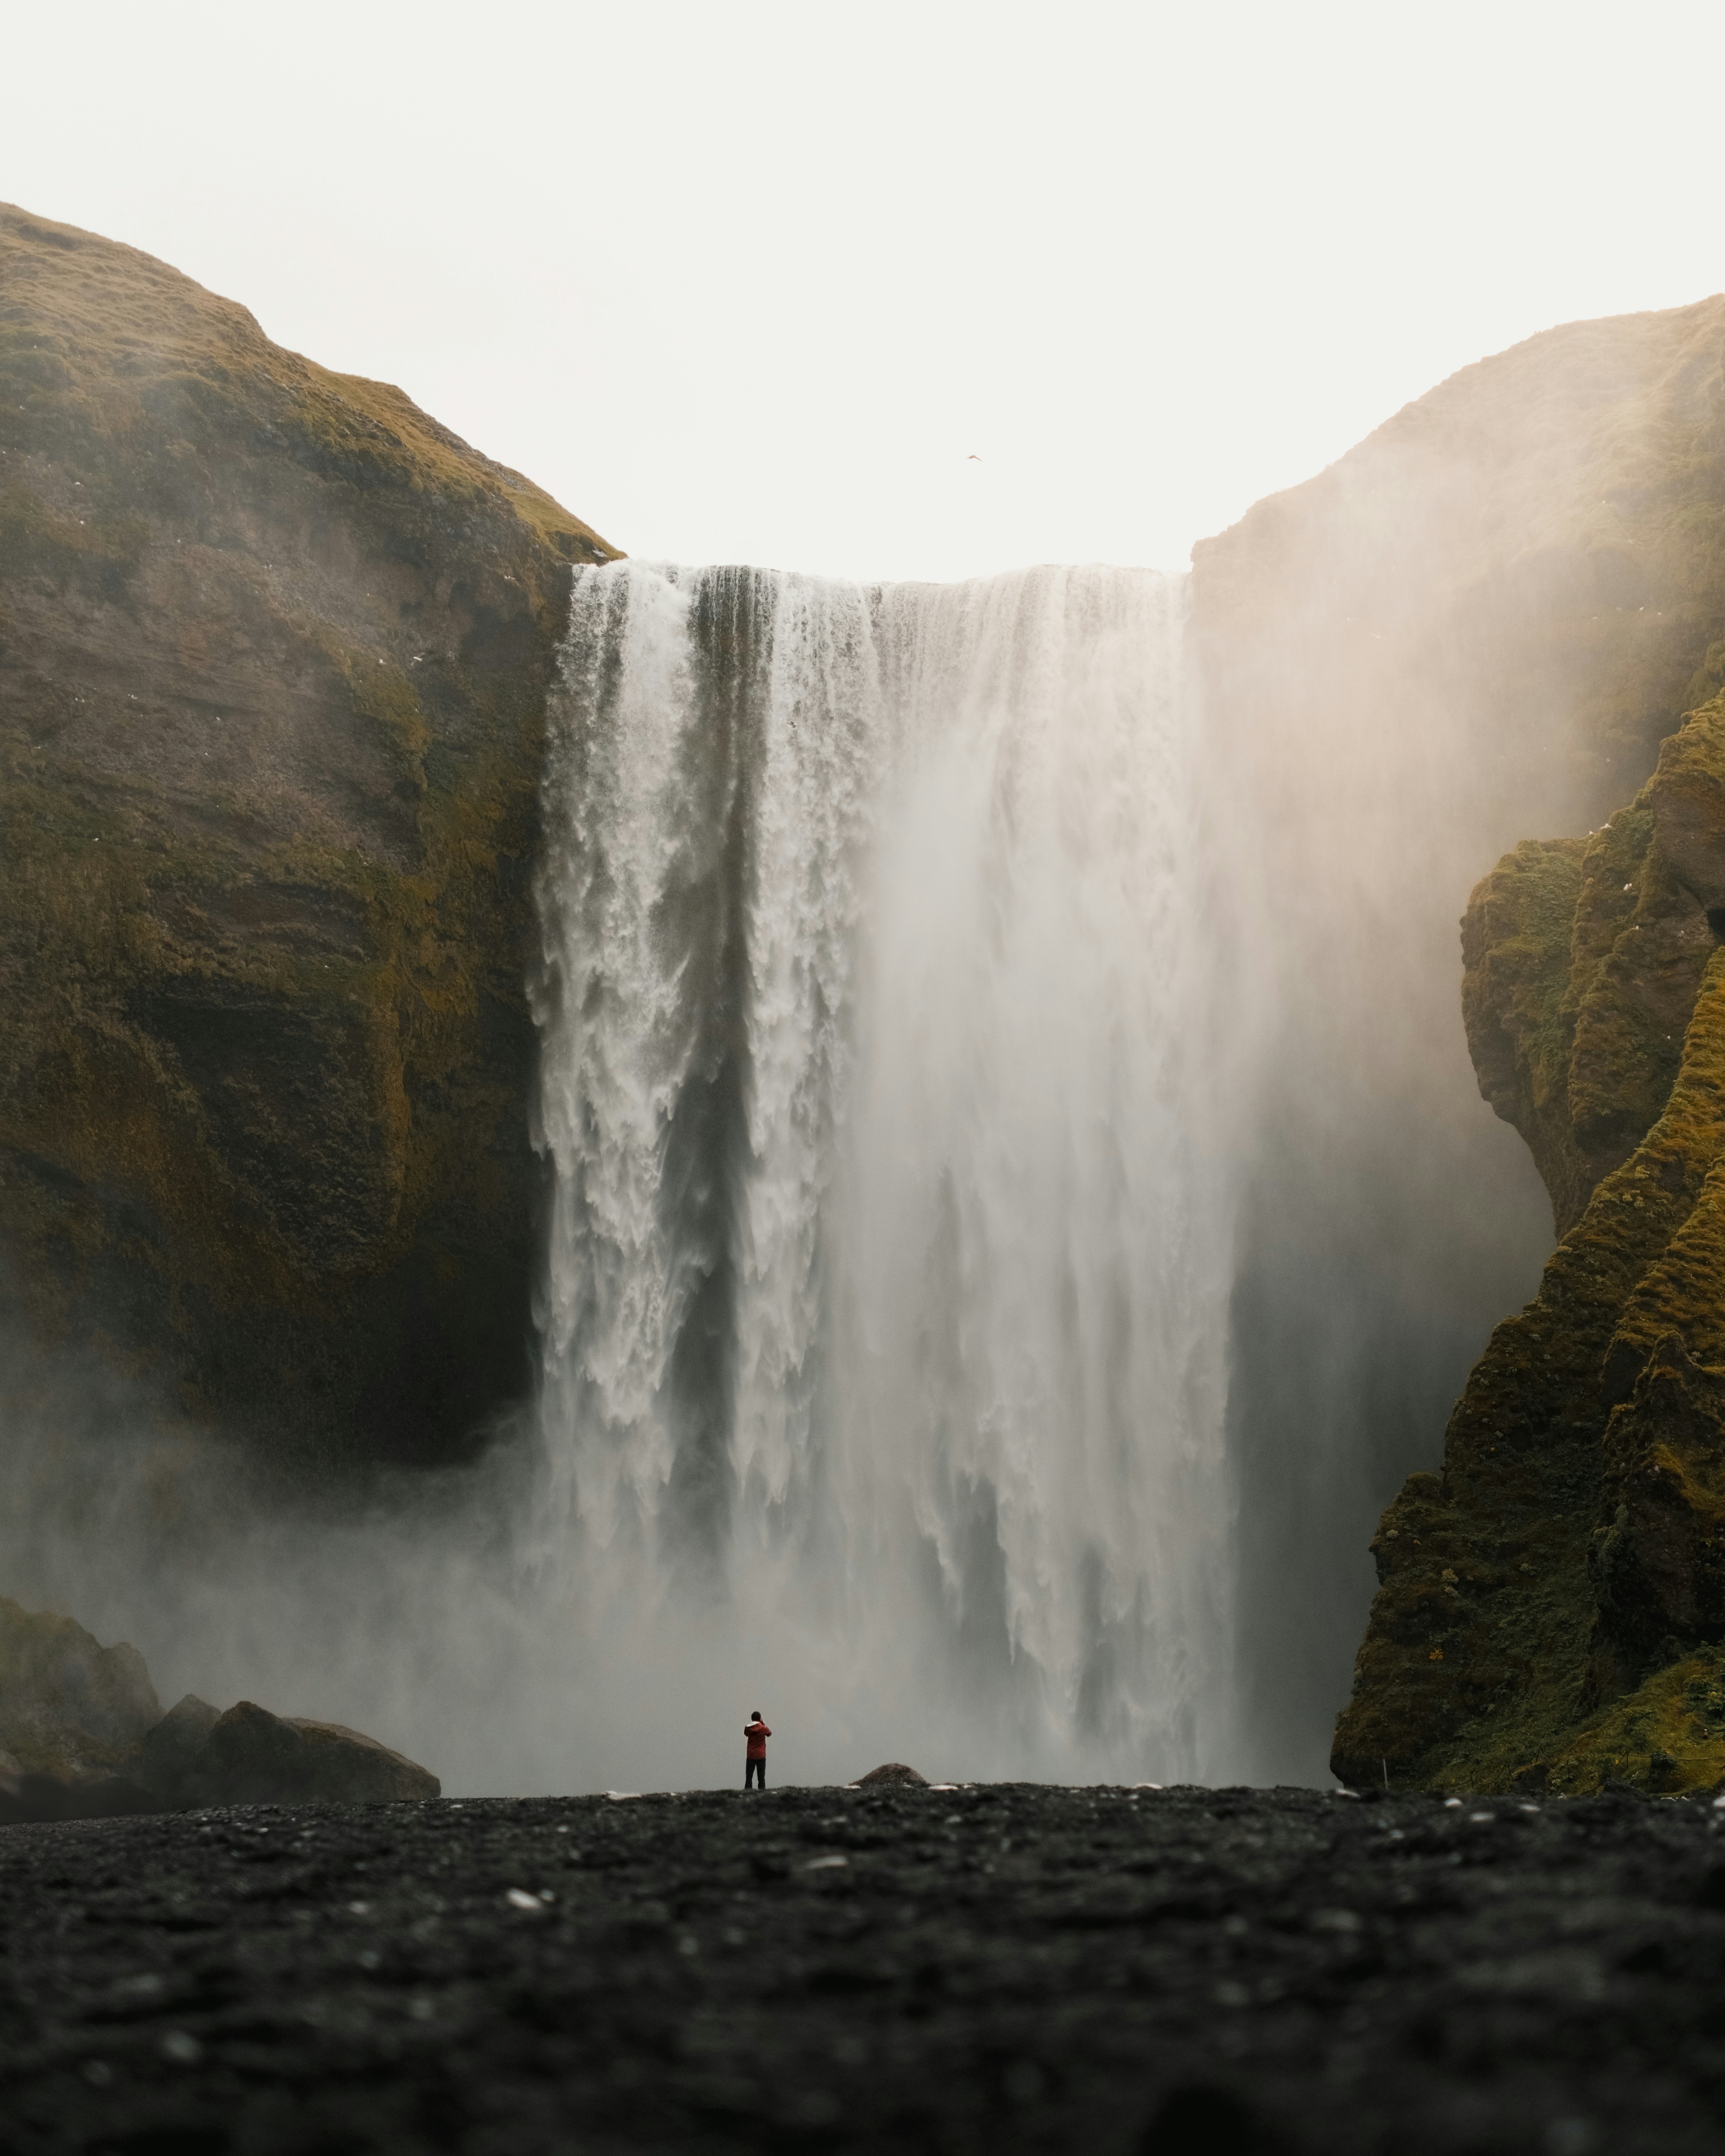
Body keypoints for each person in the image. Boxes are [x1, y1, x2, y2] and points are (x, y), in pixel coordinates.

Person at [744, 1710, 771, 1790]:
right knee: (761, 1776)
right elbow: (769, 1733)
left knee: (749, 1776)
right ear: (760, 1718)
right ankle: (762, 1791)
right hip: (761, 1755)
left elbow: (746, 1734)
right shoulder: (763, 1729)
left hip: (751, 1755)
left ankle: (748, 1791)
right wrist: (762, 1723)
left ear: (752, 1719)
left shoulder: (748, 1728)